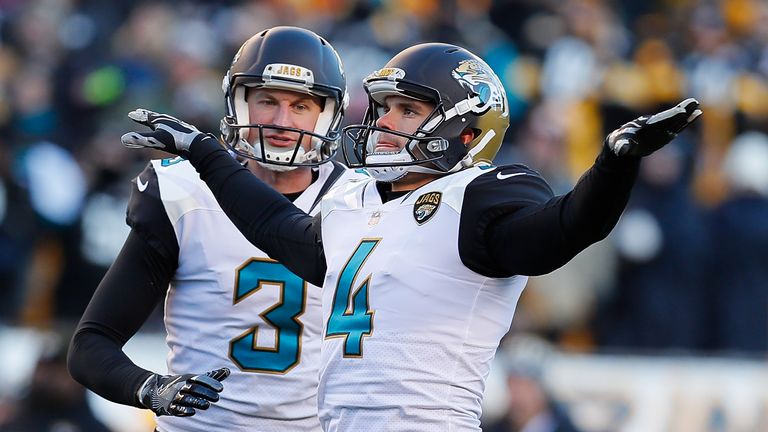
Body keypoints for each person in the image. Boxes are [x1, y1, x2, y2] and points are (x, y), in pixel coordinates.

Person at [121, 43, 701, 431]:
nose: (383, 122)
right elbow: (276, 228)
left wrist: (614, 166)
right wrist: (204, 152)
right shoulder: (357, 202)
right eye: (384, 107)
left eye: (405, 110)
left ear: (464, 128)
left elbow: (567, 229)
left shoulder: (479, 194)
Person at [68, 26, 361, 431]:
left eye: (301, 105)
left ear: (327, 115)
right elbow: (91, 344)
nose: (282, 121)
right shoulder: (185, 192)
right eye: (267, 101)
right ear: (239, 104)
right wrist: (151, 388)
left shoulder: (361, 201)